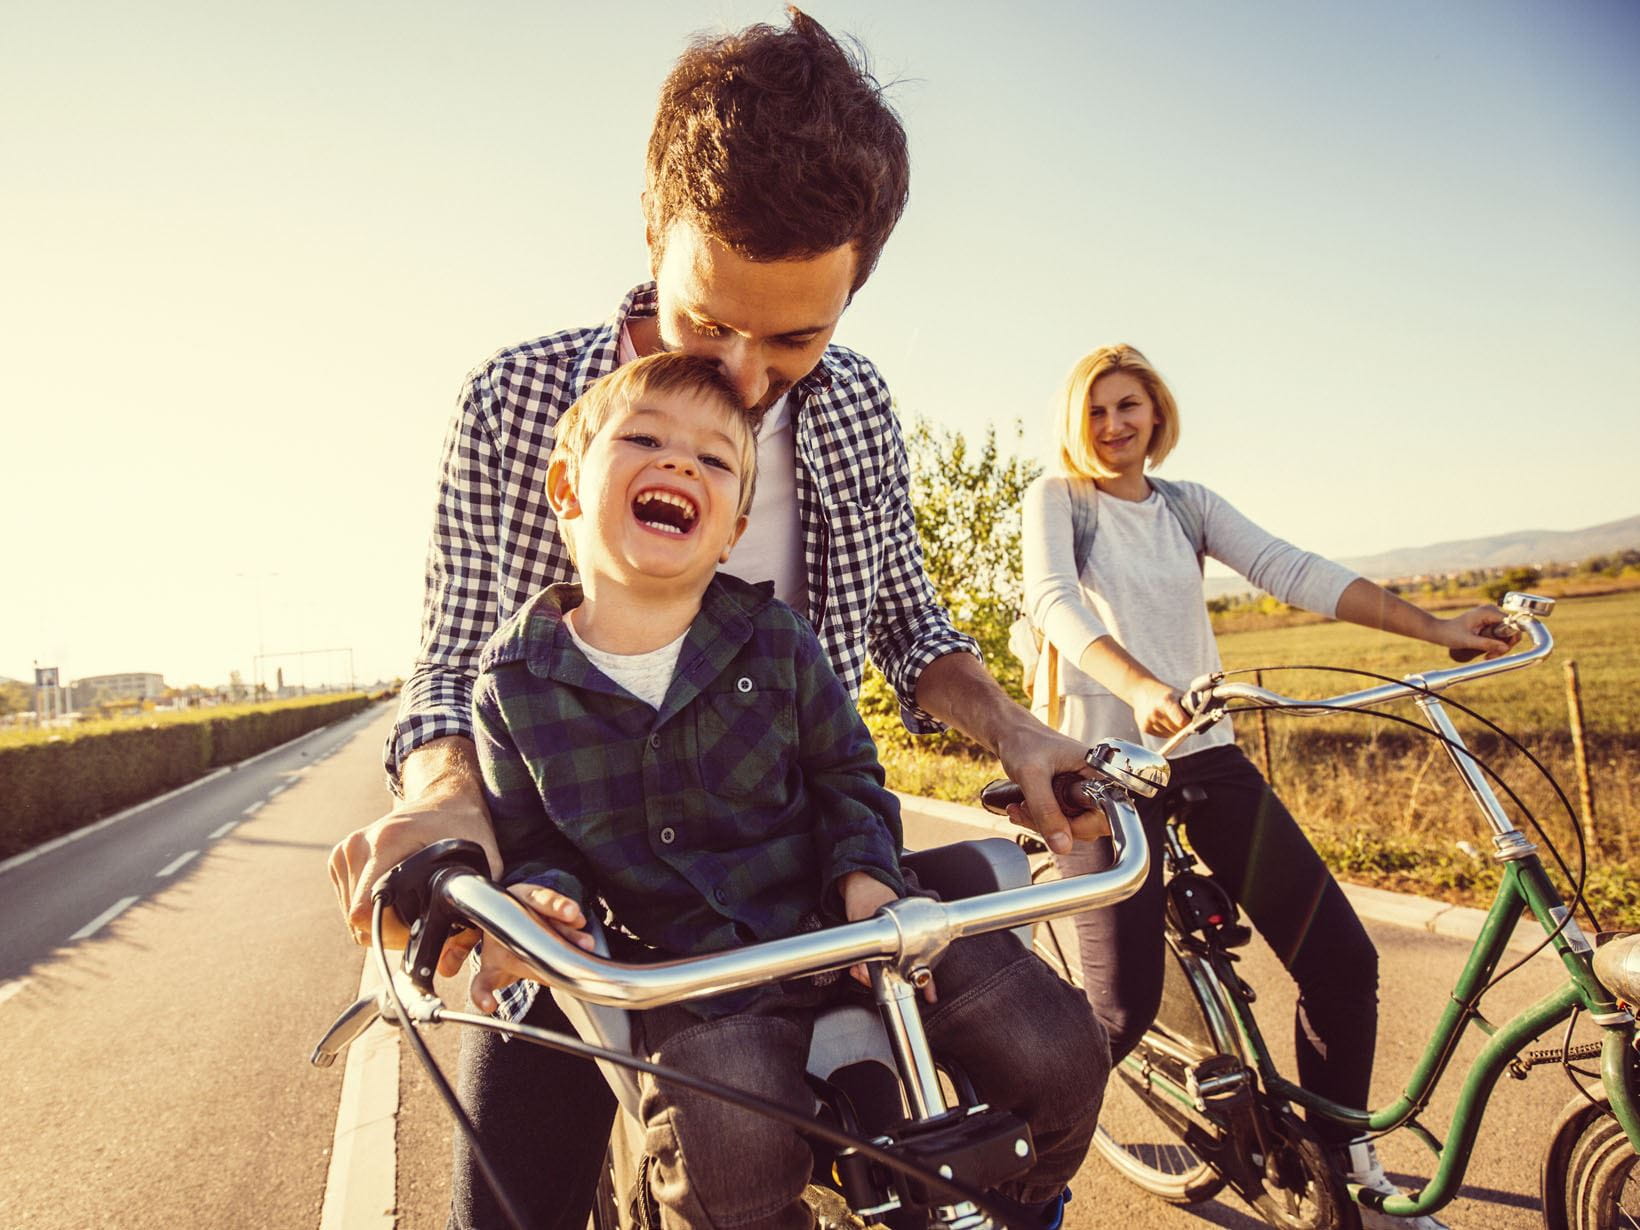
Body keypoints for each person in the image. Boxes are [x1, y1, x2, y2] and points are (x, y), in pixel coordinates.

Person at [326, 13, 1106, 1228]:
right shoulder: (519, 399)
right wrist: (443, 800)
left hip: (824, 885)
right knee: (506, 1208)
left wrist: (1020, 736)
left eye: (795, 335)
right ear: (652, 233)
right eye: (707, 324)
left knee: (1002, 1179)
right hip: (590, 915)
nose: (744, 378)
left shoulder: (851, 409)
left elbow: (907, 624)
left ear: (854, 284)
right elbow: (449, 674)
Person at [472, 351, 1102, 1229]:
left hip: (861, 920)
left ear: (730, 529)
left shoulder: (776, 639)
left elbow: (847, 773)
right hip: (700, 970)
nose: (681, 463)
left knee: (1059, 1049)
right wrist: (548, 901)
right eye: (645, 439)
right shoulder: (511, 688)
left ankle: (1024, 1203)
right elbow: (539, 846)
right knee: (723, 1160)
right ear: (565, 490)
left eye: (715, 460)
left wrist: (866, 879)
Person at [1020, 343, 1516, 1230]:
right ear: (1073, 423)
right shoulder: (1061, 501)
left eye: (1129, 406)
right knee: (1121, 1012)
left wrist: (1435, 626)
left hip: (1203, 754)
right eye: (1095, 411)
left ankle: (1343, 1166)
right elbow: (1056, 600)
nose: (1114, 425)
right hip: (1105, 773)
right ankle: (1026, 1172)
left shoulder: (1186, 506)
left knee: (1340, 960)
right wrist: (1139, 689)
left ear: (1157, 412)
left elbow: (1294, 570)